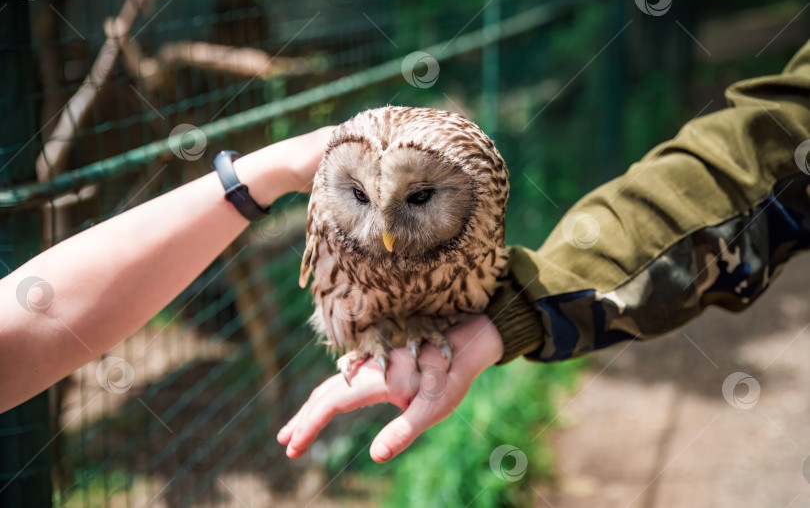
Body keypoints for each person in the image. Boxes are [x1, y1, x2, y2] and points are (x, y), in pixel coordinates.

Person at [4, 39, 810, 466]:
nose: (385, 230)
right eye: (361, 197)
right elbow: (763, 146)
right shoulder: (337, 220)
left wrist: (490, 313)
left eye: (418, 202)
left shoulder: (468, 219)